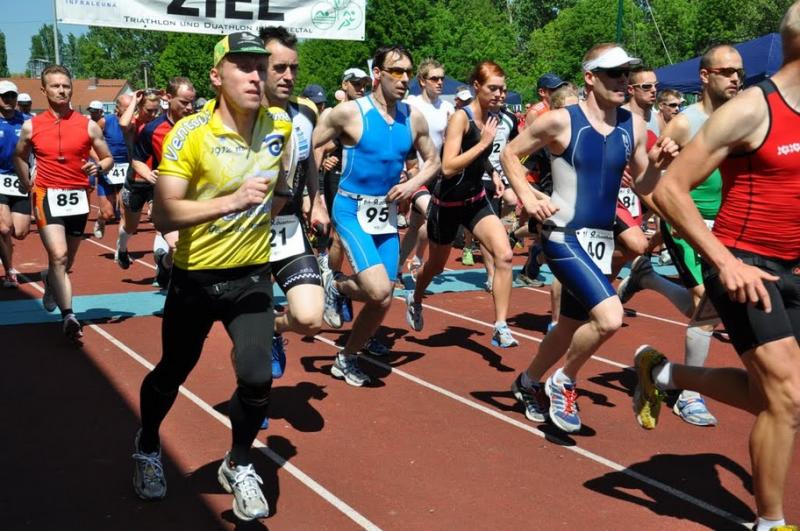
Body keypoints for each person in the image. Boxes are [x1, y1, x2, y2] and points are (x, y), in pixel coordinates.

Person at [633, 6, 800, 528]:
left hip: (794, 265)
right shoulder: (751, 109)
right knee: (788, 397)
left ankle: (663, 373)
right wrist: (725, 262)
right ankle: (769, 522)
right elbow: (669, 191)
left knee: (765, 395)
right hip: (744, 262)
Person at [131, 31, 293, 521]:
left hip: (251, 275)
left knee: (257, 375)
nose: (255, 76)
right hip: (196, 278)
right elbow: (164, 213)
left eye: (260, 66)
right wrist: (233, 202)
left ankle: (239, 462)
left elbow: (280, 186)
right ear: (216, 76)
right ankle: (147, 444)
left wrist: (273, 211)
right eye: (242, 66)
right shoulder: (190, 134)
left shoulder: (280, 123)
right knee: (173, 371)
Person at [500, 43, 676, 433]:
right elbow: (510, 154)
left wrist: (659, 167)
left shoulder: (634, 125)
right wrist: (528, 196)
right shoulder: (561, 121)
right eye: (614, 73)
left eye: (626, 73)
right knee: (610, 317)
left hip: (600, 239)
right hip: (562, 235)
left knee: (568, 326)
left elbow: (644, 182)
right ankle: (563, 380)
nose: (623, 81)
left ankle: (527, 382)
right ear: (590, 77)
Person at [624, 44, 745, 427]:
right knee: (705, 307)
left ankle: (647, 278)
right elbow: (648, 182)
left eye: (739, 72)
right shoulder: (683, 123)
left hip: (727, 226)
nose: (736, 78)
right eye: (727, 71)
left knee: (713, 308)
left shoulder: (745, 116)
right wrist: (669, 213)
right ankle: (689, 394)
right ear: (705, 77)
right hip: (688, 224)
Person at [312, 44, 440, 386]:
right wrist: (314, 196)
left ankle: (346, 357)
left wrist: (411, 184)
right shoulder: (349, 113)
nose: (404, 78)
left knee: (384, 297)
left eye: (408, 72)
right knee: (377, 287)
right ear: (378, 74)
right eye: (396, 71)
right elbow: (309, 144)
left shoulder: (412, 117)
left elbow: (434, 161)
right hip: (350, 209)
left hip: (384, 214)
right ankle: (335, 284)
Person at [406, 61, 518, 348]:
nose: (500, 94)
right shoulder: (461, 118)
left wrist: (494, 173)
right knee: (435, 267)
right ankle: (415, 298)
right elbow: (448, 167)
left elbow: (482, 156)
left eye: (503, 89)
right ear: (476, 87)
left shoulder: (495, 118)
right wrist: (483, 143)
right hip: (447, 204)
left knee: (505, 254)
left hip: (475, 200)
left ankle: (501, 325)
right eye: (493, 88)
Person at [13, 65, 113, 340]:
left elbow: (108, 158)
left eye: (66, 86)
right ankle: (69, 315)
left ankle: (51, 281)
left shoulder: (87, 125)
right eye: (55, 86)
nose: (61, 91)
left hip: (77, 197)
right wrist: (26, 181)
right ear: (44, 90)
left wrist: (99, 167)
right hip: (45, 194)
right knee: (58, 255)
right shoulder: (31, 125)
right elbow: (19, 156)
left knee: (66, 261)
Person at [258, 25, 330, 389]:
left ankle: (274, 327)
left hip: (286, 227)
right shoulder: (240, 114)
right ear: (259, 68)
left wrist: (317, 201)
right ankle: (251, 399)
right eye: (279, 68)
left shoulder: (306, 112)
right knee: (245, 337)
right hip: (242, 231)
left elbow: (310, 160)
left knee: (310, 318)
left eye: (294, 68)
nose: (289, 76)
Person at [116, 78, 195, 281]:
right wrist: (147, 173)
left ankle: (164, 265)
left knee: (177, 242)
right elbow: (134, 154)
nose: (190, 107)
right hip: (140, 182)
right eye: (184, 103)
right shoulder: (145, 128)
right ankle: (122, 248)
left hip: (171, 189)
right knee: (131, 226)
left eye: (191, 102)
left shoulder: (197, 124)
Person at [401, 58, 454, 281]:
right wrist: (403, 169)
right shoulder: (410, 104)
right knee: (432, 215)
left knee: (416, 227)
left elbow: (451, 143)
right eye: (434, 78)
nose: (440, 82)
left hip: (436, 175)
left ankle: (405, 265)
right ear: (422, 81)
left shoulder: (447, 108)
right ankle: (421, 262)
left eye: (442, 78)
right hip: (413, 174)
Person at [0, 81, 31, 288]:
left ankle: (4, 246)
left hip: (20, 181)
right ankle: (10, 270)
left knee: (20, 232)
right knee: (4, 229)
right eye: (5, 96)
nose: (9, 100)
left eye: (12, 96)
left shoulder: (28, 122)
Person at [92, 93, 133, 239]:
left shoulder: (136, 122)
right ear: (117, 109)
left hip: (126, 170)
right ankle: (100, 220)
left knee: (124, 211)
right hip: (108, 169)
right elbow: (89, 142)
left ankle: (121, 247)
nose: (130, 112)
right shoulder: (105, 122)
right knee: (108, 213)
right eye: (126, 108)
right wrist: (99, 161)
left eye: (132, 108)